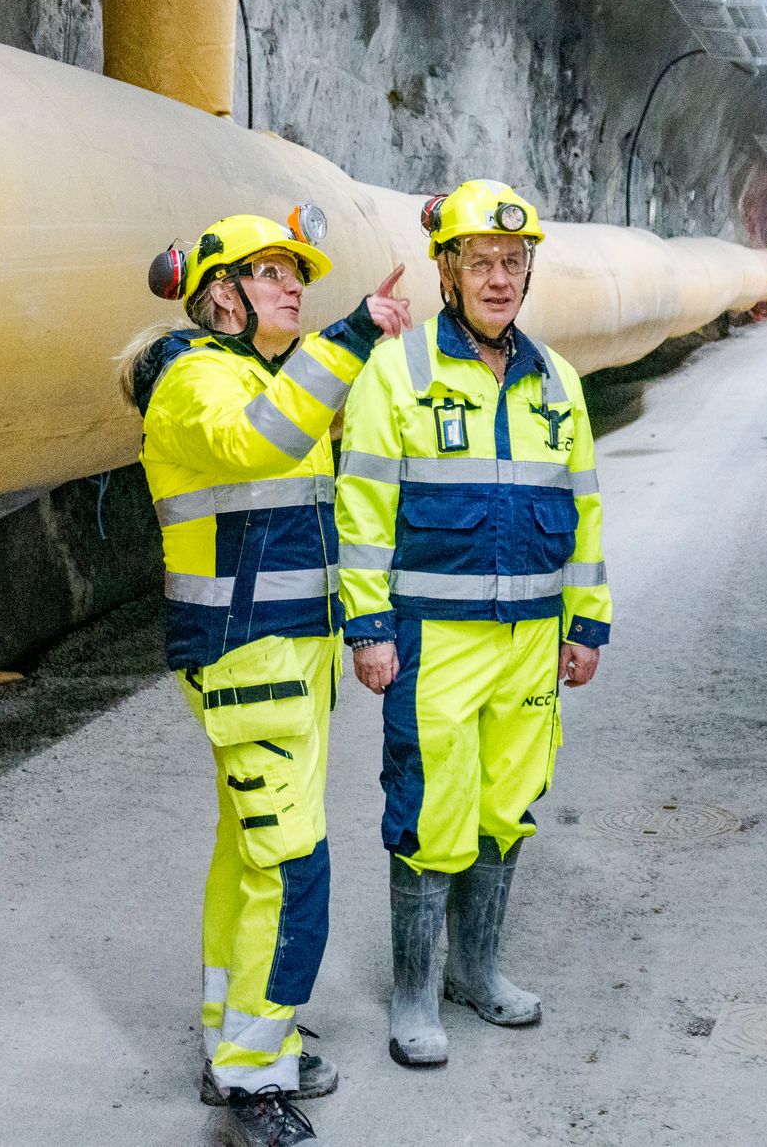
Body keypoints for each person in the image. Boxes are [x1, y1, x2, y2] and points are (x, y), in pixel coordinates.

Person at [125, 207, 409, 1145]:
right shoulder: (195, 379)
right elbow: (259, 441)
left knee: (249, 858)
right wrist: (356, 330)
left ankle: (232, 1045)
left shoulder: (259, 372)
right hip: (246, 657)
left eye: (300, 274)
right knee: (293, 868)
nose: (296, 287)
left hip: (285, 658)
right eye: (274, 272)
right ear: (222, 293)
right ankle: (256, 1079)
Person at [334, 180, 612, 1067]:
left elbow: (586, 515)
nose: (499, 278)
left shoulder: (556, 382)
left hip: (531, 641)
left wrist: (587, 623)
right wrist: (368, 628)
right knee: (430, 810)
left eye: (513, 262)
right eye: (481, 262)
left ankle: (477, 971)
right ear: (447, 270)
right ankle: (415, 993)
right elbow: (363, 507)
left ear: (529, 271)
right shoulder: (401, 370)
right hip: (434, 642)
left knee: (505, 805)